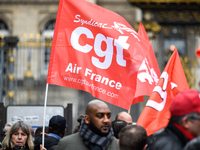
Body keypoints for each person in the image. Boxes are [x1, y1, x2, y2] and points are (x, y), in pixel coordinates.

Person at [55, 99, 119, 150]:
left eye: (108, 116)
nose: (106, 120)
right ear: (87, 119)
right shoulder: (66, 144)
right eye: (100, 116)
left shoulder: (119, 146)